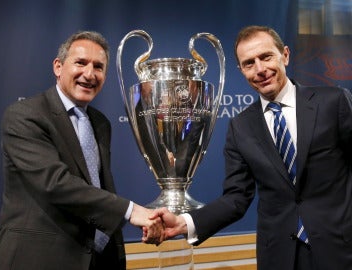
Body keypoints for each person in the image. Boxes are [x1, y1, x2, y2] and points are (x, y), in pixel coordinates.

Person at [150, 25, 352, 270]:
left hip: (339, 250)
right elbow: (236, 197)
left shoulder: (333, 101)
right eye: (249, 63)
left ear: (285, 55)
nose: (260, 69)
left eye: (266, 57)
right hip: (279, 257)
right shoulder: (240, 126)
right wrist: (183, 223)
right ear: (241, 70)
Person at [0, 31, 164, 270]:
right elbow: (55, 183)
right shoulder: (25, 115)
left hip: (97, 258)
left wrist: (145, 221)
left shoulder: (100, 122)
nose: (89, 74)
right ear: (58, 67)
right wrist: (131, 211)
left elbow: (99, 187)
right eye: (80, 63)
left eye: (98, 67)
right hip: (37, 258)